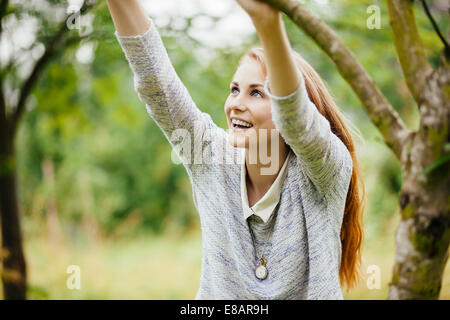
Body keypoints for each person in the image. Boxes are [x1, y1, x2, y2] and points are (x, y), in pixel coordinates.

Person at [106, 0, 366, 299]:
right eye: (234, 90)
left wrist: (268, 25)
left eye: (257, 92)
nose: (236, 105)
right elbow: (157, 83)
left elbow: (297, 119)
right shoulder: (210, 158)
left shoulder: (325, 172)